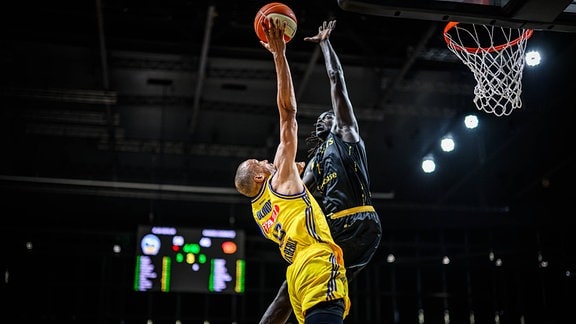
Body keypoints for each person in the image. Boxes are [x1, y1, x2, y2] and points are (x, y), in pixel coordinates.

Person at [259, 20, 383, 324]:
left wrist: (326, 44)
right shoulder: (314, 161)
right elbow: (295, 195)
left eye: (326, 116)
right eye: (320, 120)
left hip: (357, 221)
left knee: (303, 293)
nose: (321, 119)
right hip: (332, 233)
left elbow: (336, 79)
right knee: (291, 292)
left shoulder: (347, 133)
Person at [234, 18, 350, 324]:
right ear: (260, 176)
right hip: (315, 261)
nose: (268, 161)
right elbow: (288, 114)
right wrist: (279, 55)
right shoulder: (280, 179)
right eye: (262, 163)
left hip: (295, 274)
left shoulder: (260, 212)